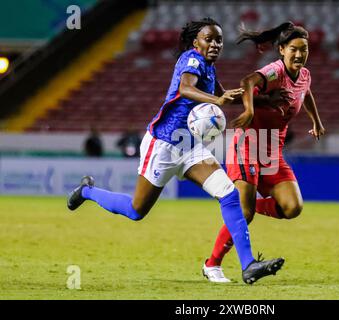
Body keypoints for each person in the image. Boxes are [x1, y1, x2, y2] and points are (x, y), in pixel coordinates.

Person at [67, 18, 284, 284]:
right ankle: (86, 191)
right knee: (136, 210)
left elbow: (226, 94)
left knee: (228, 194)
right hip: (164, 144)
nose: (215, 44)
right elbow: (185, 88)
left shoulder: (209, 68)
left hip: (191, 145)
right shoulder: (191, 60)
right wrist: (218, 100)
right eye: (209, 39)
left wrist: (262, 99)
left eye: (219, 40)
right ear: (196, 42)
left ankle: (248, 264)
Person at [202, 22, 325, 282]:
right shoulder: (275, 71)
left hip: (272, 150)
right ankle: (212, 264)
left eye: (304, 50)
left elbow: (306, 93)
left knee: (292, 207)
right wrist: (248, 110)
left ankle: (247, 206)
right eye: (294, 49)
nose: (300, 55)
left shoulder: (304, 75)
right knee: (243, 215)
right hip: (248, 145)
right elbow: (247, 81)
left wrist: (316, 120)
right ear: (281, 50)